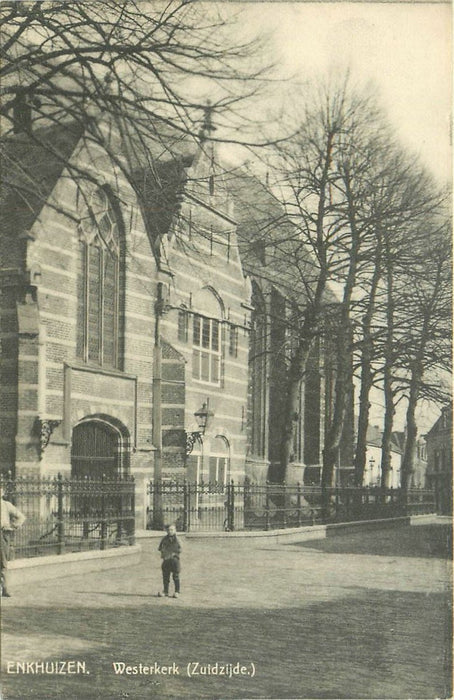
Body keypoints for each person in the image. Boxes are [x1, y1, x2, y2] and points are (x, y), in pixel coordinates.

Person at [1, 486, 26, 597]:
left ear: (2, 493)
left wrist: (13, 526)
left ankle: (5, 588)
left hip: (2, 535)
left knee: (3, 562)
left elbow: (21, 517)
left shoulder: (6, 505)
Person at [158, 524, 181, 598]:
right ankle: (165, 591)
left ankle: (177, 591)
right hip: (166, 560)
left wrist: (174, 553)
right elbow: (160, 548)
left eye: (172, 530)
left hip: (174, 560)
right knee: (165, 576)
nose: (170, 531)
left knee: (176, 576)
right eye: (168, 530)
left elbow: (180, 549)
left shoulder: (177, 539)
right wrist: (164, 553)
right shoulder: (164, 539)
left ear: (175, 530)